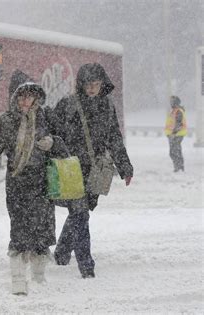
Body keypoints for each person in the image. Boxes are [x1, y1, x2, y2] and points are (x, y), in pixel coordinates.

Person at [0, 82, 68, 295]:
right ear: (14, 99)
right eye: (21, 97)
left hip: (43, 185)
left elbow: (67, 147)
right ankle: (18, 281)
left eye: (29, 97)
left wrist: (54, 143)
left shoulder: (47, 119)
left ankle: (39, 281)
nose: (25, 101)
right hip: (18, 186)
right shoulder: (6, 122)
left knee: (42, 235)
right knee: (19, 234)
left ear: (36, 99)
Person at [52, 63, 133, 278]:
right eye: (88, 84)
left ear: (102, 84)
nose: (92, 89)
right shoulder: (67, 105)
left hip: (95, 170)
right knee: (79, 214)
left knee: (81, 213)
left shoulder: (106, 106)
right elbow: (54, 135)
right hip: (72, 169)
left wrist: (125, 166)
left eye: (96, 84)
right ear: (81, 84)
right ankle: (86, 266)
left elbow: (114, 137)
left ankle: (61, 253)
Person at [165, 95, 187, 172]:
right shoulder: (174, 111)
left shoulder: (178, 111)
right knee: (175, 151)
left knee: (174, 152)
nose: (171, 103)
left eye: (172, 101)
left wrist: (173, 134)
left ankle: (179, 167)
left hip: (177, 135)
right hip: (174, 135)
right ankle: (178, 167)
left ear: (175, 102)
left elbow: (179, 124)